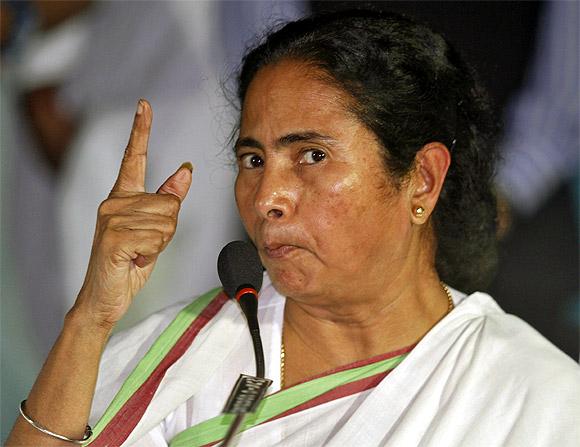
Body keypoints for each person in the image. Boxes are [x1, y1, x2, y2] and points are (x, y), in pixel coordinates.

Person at [7, 10, 580, 447]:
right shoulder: (186, 349)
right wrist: (91, 319)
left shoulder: (532, 397)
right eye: (253, 160)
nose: (267, 199)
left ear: (422, 181)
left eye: (311, 156)